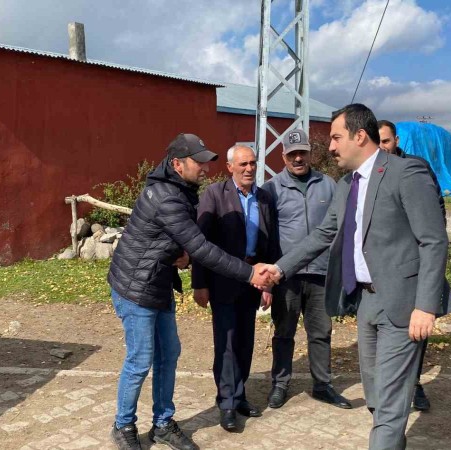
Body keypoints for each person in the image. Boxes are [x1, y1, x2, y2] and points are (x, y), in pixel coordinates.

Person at [262, 104, 451, 450]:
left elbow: (433, 240)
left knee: (390, 400)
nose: (331, 147)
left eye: (336, 138)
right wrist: (279, 268)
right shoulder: (346, 184)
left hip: (404, 304)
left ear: (360, 136)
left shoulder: (405, 173)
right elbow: (323, 234)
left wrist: (426, 306)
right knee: (376, 396)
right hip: (367, 302)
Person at [107, 133, 273, 450]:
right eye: (199, 162)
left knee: (169, 354)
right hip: (135, 288)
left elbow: (174, 241)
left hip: (157, 283)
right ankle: (123, 425)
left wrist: (180, 255)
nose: (205, 168)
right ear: (177, 164)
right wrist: (250, 273)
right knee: (140, 360)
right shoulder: (166, 198)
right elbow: (201, 247)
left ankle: (162, 424)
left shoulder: (180, 190)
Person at [262, 129, 352, 410]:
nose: (298, 158)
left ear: (310, 154)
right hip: (286, 276)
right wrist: (268, 281)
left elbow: (341, 228)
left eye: (302, 152)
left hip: (321, 273)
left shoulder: (328, 184)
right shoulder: (271, 189)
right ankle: (280, 384)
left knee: (321, 332)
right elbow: (266, 236)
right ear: (283, 156)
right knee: (284, 332)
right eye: (292, 154)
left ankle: (322, 385)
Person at [191, 144, 279, 432]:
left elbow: (271, 244)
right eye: (243, 164)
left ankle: (239, 396)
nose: (249, 168)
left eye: (252, 163)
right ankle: (226, 402)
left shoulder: (264, 198)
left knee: (245, 342)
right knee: (227, 344)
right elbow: (200, 243)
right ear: (230, 167)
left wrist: (269, 285)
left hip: (254, 280)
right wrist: (199, 284)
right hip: (223, 281)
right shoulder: (214, 195)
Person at [378, 119, 446, 411]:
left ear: (396, 141)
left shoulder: (415, 167)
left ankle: (414, 384)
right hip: (383, 267)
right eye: (378, 142)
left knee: (415, 328)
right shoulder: (370, 170)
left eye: (386, 141)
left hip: (413, 265)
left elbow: (437, 208)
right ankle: (387, 389)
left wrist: (430, 247)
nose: (382, 147)